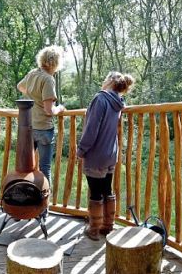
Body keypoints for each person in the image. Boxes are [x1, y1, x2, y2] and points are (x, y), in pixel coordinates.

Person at [77, 71, 134, 240]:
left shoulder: (100, 99)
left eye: (105, 78)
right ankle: (107, 226)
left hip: (96, 154)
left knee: (95, 192)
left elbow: (91, 130)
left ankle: (94, 229)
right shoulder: (118, 101)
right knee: (106, 189)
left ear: (109, 81)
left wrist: (81, 150)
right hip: (111, 153)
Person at [16, 46, 65, 187]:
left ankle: (28, 201)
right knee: (45, 168)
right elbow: (49, 110)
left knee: (26, 166)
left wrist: (32, 96)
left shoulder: (33, 73)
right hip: (43, 128)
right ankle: (43, 207)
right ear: (55, 62)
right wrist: (60, 108)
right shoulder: (48, 79)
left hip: (28, 127)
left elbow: (20, 86)